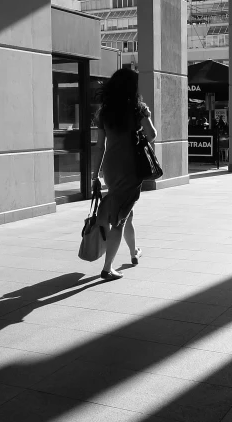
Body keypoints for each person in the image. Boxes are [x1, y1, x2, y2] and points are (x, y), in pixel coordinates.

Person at [91, 68, 156, 281]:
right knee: (120, 218)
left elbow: (99, 147)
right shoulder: (138, 109)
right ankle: (107, 268)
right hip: (130, 167)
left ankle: (133, 251)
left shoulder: (104, 112)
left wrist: (95, 175)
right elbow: (152, 134)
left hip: (111, 167)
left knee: (126, 211)